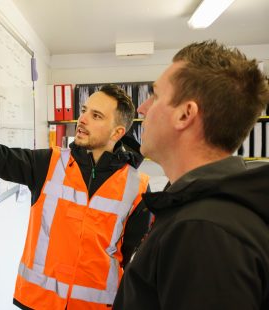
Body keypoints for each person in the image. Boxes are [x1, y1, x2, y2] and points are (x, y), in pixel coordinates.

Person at [0, 78, 150, 309]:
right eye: (84, 110)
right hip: (39, 302)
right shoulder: (49, 163)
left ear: (117, 132)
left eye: (96, 116)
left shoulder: (137, 187)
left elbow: (129, 258)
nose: (82, 119)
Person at [113, 40, 269, 310]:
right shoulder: (197, 210)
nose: (142, 109)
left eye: (156, 95)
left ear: (185, 115)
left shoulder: (204, 232)